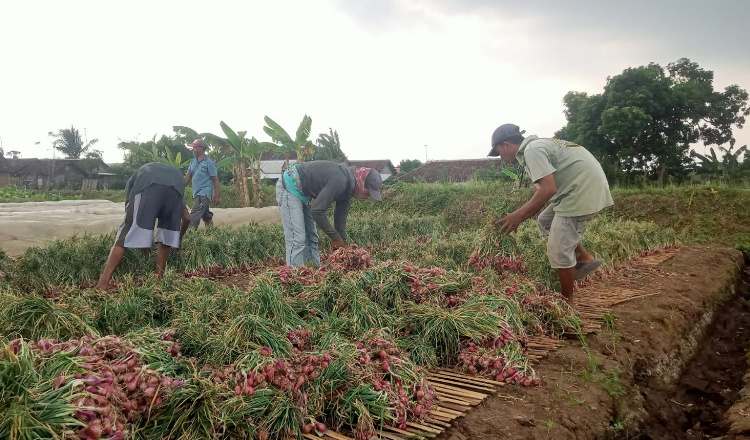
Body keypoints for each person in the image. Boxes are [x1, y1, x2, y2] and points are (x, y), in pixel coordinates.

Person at [489, 123, 613, 306]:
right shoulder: (536, 147)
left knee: (558, 250)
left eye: (499, 152)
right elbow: (542, 187)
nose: (501, 158)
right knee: (545, 221)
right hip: (580, 188)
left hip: (579, 192)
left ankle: (567, 306)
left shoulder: (533, 150)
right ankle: (583, 257)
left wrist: (519, 215)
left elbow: (548, 189)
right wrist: (529, 208)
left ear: (506, 144)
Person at [96, 162, 191, 290]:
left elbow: (129, 213)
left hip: (148, 181)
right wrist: (178, 239)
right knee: (165, 238)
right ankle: (158, 283)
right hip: (176, 184)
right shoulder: (173, 184)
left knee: (125, 233)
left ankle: (102, 284)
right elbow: (187, 217)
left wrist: (141, 241)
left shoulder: (134, 182)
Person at [275, 160, 383, 267]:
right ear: (361, 183)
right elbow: (317, 211)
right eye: (368, 193)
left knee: (312, 236)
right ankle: (294, 277)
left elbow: (340, 218)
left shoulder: (348, 189)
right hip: (291, 184)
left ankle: (312, 272)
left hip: (304, 191)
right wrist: (336, 238)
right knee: (297, 238)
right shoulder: (340, 181)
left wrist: (343, 244)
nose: (367, 197)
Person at [184, 138, 220, 228]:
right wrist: (178, 187)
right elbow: (187, 177)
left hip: (203, 194)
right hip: (196, 194)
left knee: (194, 216)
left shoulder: (209, 162)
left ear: (201, 148)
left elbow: (215, 179)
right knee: (206, 215)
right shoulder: (193, 162)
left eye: (195, 147)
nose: (193, 149)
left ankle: (190, 236)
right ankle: (211, 234)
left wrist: (217, 195)